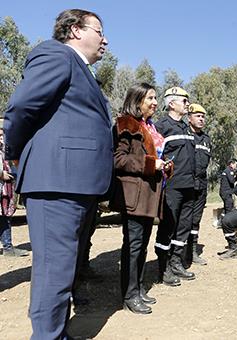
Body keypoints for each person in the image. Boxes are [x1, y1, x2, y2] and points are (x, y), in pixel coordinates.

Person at [3, 9, 111, 339]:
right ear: (76, 30)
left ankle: (57, 332)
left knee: (64, 272)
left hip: (77, 184)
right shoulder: (56, 54)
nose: (105, 40)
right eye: (99, 31)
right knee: (54, 272)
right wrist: (16, 155)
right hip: (56, 183)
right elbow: (21, 107)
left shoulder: (81, 69)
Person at [109, 83, 170, 314]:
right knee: (133, 246)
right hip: (134, 195)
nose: (155, 102)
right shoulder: (126, 124)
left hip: (150, 194)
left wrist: (163, 166)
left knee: (142, 245)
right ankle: (129, 295)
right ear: (137, 101)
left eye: (156, 98)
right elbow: (118, 159)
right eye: (150, 98)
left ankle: (138, 288)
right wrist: (150, 164)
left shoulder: (150, 126)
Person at [154, 86, 196, 286]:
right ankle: (163, 268)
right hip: (172, 187)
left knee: (184, 227)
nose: (187, 104)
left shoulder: (186, 128)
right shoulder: (162, 126)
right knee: (168, 227)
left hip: (190, 186)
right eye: (184, 101)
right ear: (171, 104)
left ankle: (177, 261)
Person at [187, 103, 211, 266]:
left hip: (201, 184)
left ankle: (192, 251)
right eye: (197, 116)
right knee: (183, 220)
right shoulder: (185, 135)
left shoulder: (207, 139)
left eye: (203, 116)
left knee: (195, 220)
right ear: (189, 118)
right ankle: (178, 253)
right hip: (187, 183)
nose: (201, 119)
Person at [0, 128, 28, 257]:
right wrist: (1, 174)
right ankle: (8, 247)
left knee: (5, 217)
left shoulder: (4, 151)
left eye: (2, 135)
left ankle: (8, 247)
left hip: (4, 189)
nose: (1, 138)